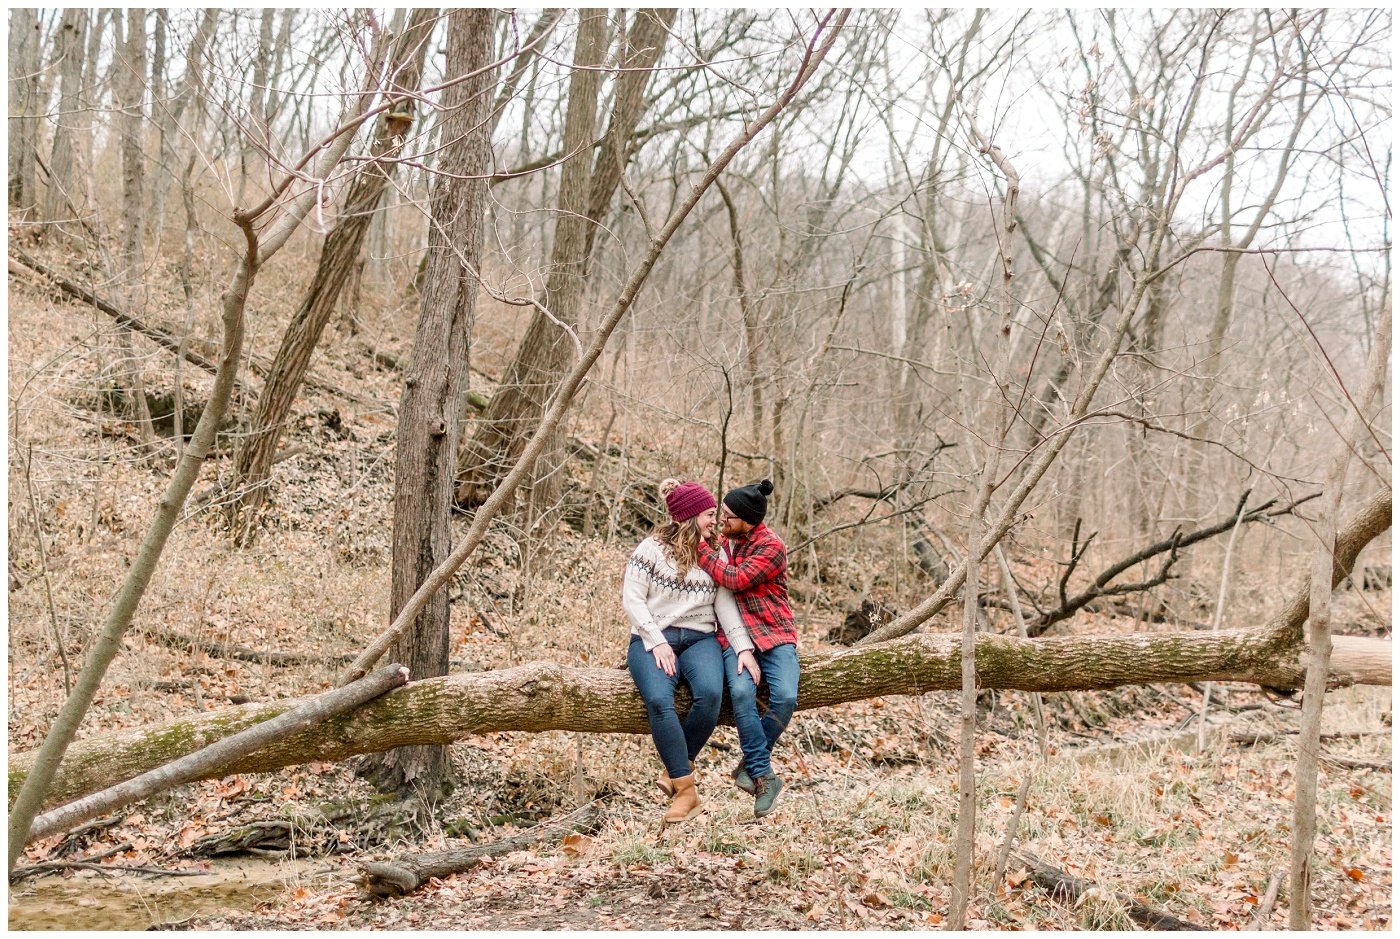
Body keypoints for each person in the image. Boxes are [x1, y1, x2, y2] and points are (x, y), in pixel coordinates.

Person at [622, 478, 760, 824]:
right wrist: (656, 640)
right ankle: (686, 791)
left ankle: (676, 769)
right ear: (690, 516)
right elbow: (632, 599)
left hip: (700, 639)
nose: (716, 520)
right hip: (652, 637)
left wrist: (743, 648)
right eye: (710, 514)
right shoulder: (650, 550)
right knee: (658, 699)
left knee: (711, 694)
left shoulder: (717, 552)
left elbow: (725, 606)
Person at [697, 478, 799, 819]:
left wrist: (702, 554)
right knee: (741, 692)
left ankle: (752, 763)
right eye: (720, 514)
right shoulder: (724, 541)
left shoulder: (771, 547)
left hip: (774, 632)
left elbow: (736, 578)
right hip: (735, 636)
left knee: (784, 697)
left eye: (728, 516)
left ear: (748, 520)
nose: (722, 521)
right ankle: (762, 775)